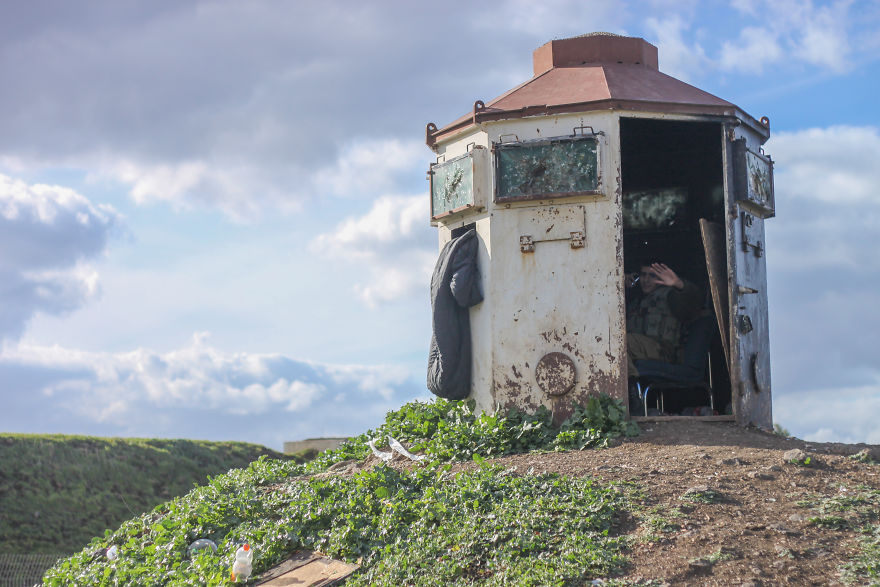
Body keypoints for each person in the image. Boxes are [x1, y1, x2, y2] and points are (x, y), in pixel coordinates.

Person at [625, 261, 701, 406]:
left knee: (622, 343)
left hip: (662, 349)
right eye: (643, 275)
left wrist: (679, 284)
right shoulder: (637, 298)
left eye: (652, 276)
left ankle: (632, 394)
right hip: (640, 349)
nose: (646, 280)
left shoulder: (671, 296)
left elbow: (693, 302)